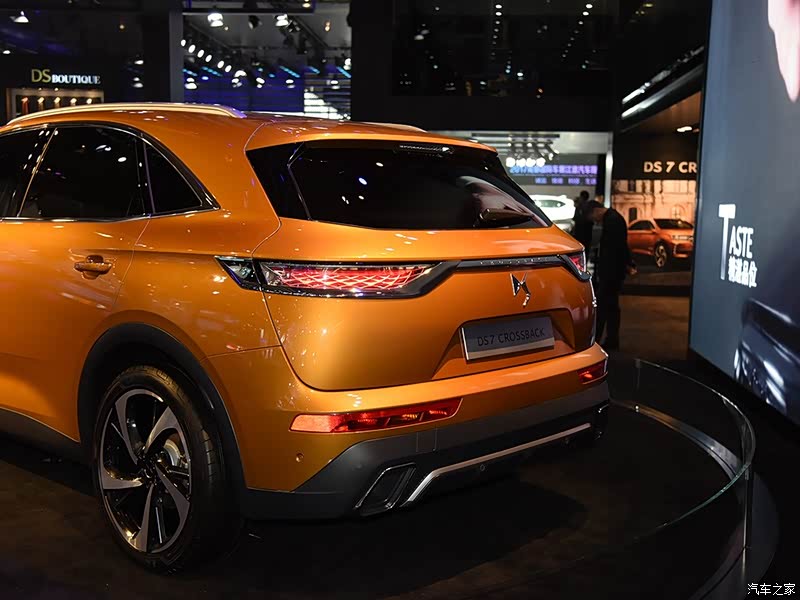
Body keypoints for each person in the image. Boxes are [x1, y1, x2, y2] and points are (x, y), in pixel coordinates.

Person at [585, 200, 637, 351]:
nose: (595, 221)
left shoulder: (612, 221)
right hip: (613, 272)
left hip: (611, 273)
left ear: (596, 210)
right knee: (611, 307)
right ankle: (611, 340)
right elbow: (621, 246)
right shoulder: (614, 218)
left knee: (603, 306)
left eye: (593, 217)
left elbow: (614, 249)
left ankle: (598, 341)